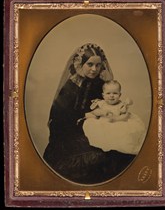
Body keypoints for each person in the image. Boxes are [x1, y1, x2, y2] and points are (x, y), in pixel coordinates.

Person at [43, 43, 135, 184]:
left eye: (98, 65)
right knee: (96, 156)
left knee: (121, 147)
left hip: (96, 126)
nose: (94, 69)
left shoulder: (100, 84)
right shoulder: (71, 85)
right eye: (90, 64)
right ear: (81, 64)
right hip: (69, 131)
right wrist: (86, 117)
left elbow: (109, 103)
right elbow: (59, 118)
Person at [83, 80, 146, 155]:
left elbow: (125, 116)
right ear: (103, 95)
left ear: (119, 95)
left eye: (115, 93)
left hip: (118, 123)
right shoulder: (101, 103)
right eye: (108, 93)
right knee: (96, 128)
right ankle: (105, 144)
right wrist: (102, 112)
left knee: (123, 134)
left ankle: (119, 146)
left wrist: (115, 119)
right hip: (104, 123)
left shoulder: (121, 105)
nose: (111, 95)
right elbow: (95, 112)